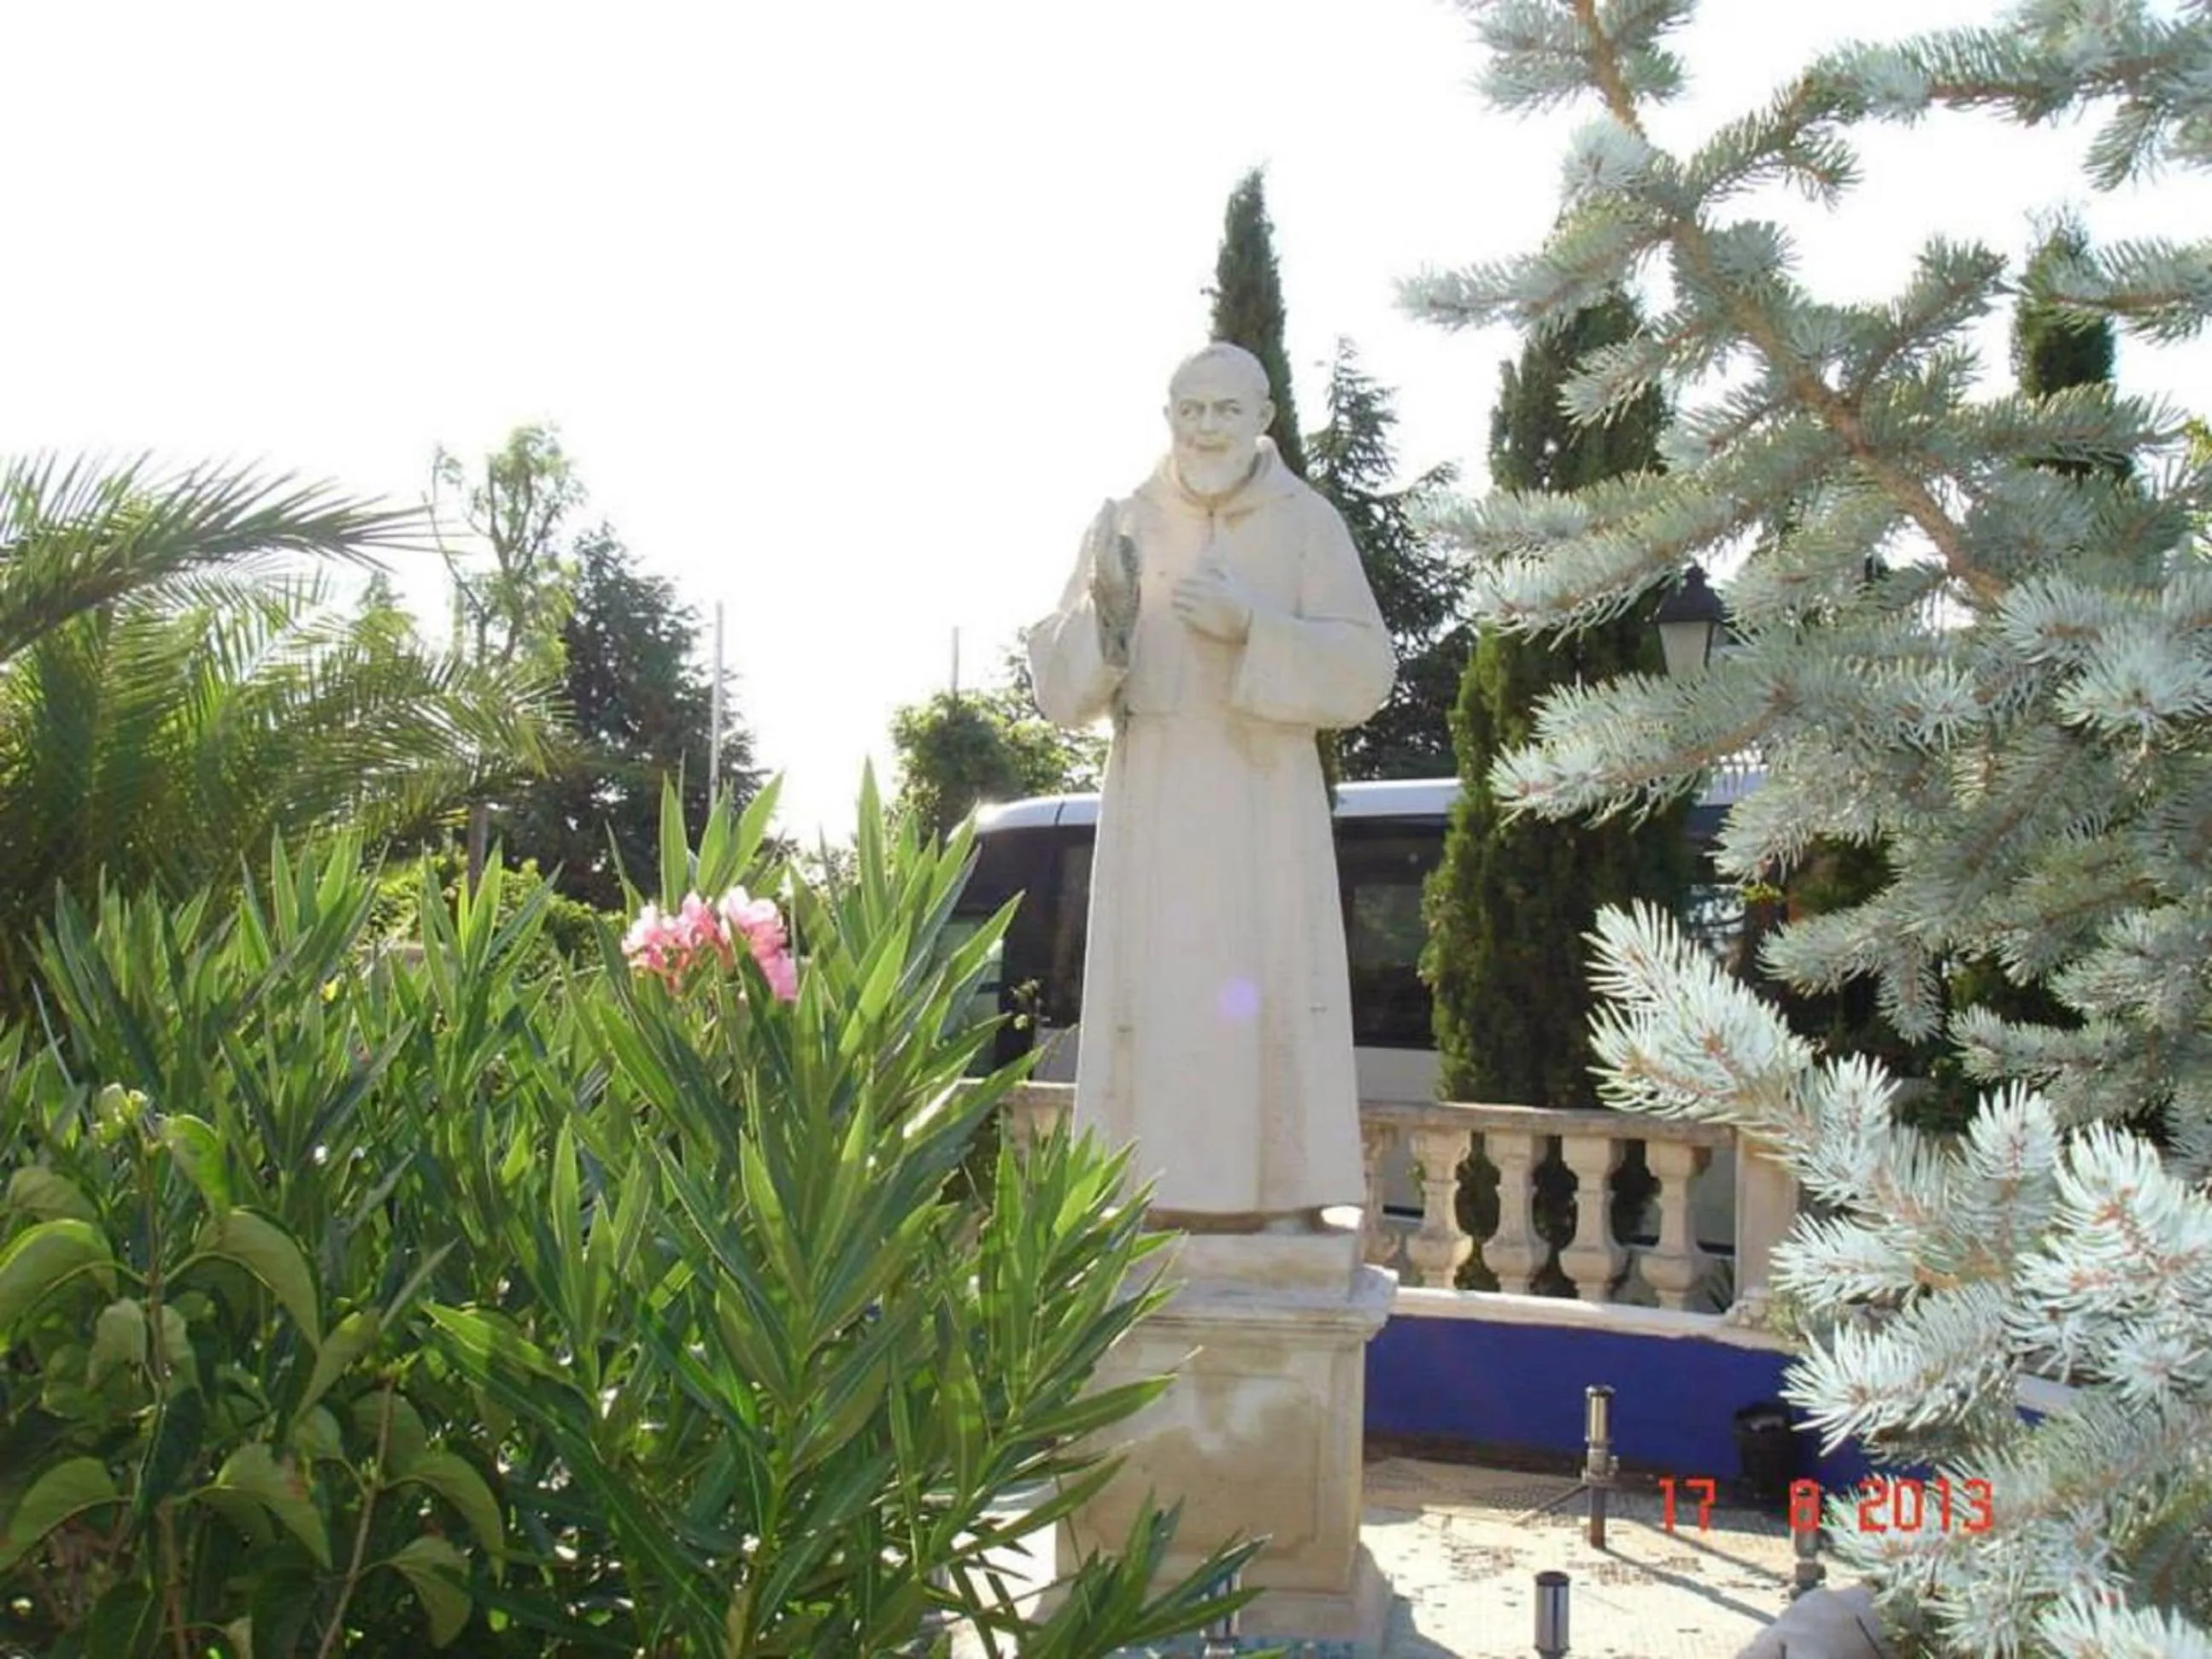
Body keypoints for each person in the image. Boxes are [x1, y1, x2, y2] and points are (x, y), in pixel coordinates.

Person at [1024, 342, 1395, 1232]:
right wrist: (1108, 622)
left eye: (1226, 409)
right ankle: (1145, 1195)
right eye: (1189, 409)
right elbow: (1060, 689)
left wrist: (1255, 628)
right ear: (1167, 418)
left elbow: (1366, 671)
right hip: (1154, 807)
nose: (1206, 427)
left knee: (1261, 990)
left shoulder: (1307, 524)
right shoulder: (1123, 521)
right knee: (1153, 1003)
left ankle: (1274, 1197)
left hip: (1264, 807)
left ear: (1264, 418)